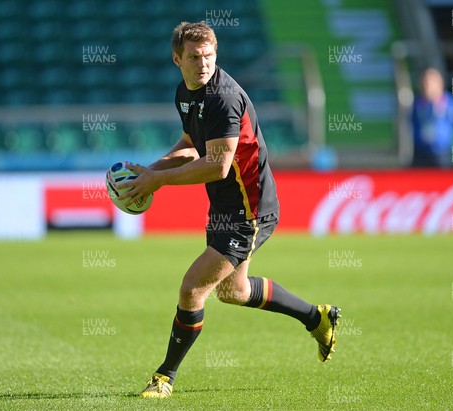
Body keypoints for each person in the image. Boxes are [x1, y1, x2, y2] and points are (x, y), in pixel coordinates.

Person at [116, 21, 341, 399]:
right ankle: (318, 318)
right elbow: (191, 144)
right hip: (224, 206)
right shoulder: (186, 95)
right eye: (194, 57)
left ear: (215, 55)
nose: (203, 63)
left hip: (248, 210)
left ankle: (164, 377)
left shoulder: (221, 97)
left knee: (192, 289)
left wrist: (158, 182)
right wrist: (154, 169)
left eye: (209, 56)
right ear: (177, 59)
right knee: (233, 292)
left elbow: (217, 164)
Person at [410, 67, 453, 167]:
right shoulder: (418, 103)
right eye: (424, 82)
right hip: (421, 153)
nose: (426, 85)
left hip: (441, 154)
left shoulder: (449, 102)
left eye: (430, 82)